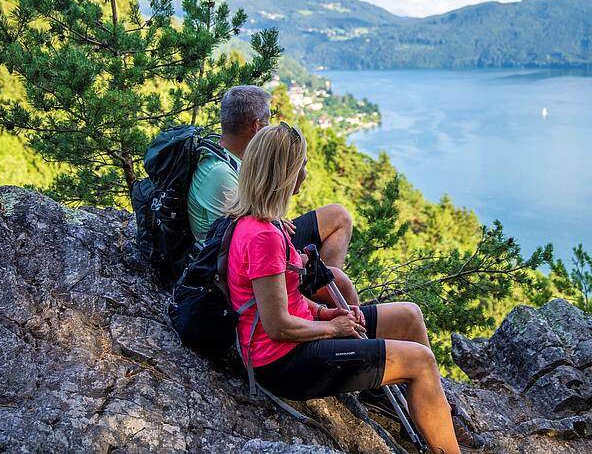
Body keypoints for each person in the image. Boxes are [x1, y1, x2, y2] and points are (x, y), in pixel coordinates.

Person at [224, 123, 485, 453]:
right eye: (302, 165)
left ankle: (432, 411)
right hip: (283, 363)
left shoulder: (269, 224)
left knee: (409, 316)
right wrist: (333, 328)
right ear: (285, 174)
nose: (305, 172)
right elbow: (278, 326)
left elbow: (288, 299)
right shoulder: (263, 237)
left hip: (298, 339)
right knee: (420, 361)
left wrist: (324, 313)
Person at [189, 85, 359, 304]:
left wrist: (273, 220)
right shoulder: (221, 174)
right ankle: (317, 294)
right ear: (256, 126)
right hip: (234, 262)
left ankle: (322, 289)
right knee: (336, 250)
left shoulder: (225, 157)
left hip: (259, 237)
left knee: (338, 216)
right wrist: (276, 227)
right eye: (267, 121)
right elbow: (237, 236)